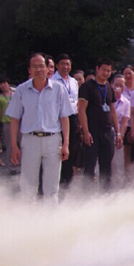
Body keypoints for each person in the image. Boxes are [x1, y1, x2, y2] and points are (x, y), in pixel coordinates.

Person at [6, 53, 72, 203]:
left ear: (48, 69)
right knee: (28, 185)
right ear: (29, 70)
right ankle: (29, 215)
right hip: (30, 140)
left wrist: (66, 144)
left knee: (52, 186)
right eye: (34, 66)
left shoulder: (59, 89)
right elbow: (14, 119)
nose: (39, 70)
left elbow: (64, 118)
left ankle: (51, 215)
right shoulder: (21, 90)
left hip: (53, 140)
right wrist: (14, 146)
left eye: (42, 66)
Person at [78, 58, 122, 191]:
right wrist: (86, 132)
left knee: (106, 166)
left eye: (109, 71)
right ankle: (87, 195)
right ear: (97, 69)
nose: (106, 73)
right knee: (90, 166)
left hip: (107, 132)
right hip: (92, 132)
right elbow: (81, 110)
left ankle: (106, 194)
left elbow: (113, 111)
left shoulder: (109, 87)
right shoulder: (87, 86)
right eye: (104, 70)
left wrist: (118, 132)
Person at [52, 54, 81, 187]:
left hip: (73, 116)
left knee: (72, 147)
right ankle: (58, 177)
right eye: (63, 64)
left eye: (68, 64)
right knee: (59, 147)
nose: (65, 67)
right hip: (58, 118)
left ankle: (68, 177)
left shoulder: (73, 82)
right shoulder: (52, 81)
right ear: (57, 66)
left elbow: (76, 100)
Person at [111, 74, 130, 188]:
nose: (118, 87)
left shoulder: (126, 102)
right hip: (105, 134)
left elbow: (124, 122)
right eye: (116, 85)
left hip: (117, 135)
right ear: (111, 85)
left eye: (121, 85)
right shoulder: (105, 99)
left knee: (118, 165)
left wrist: (120, 137)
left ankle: (118, 189)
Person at [0, 76, 17, 173]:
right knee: (10, 145)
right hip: (7, 123)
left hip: (18, 122)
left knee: (22, 144)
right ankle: (11, 166)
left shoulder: (16, 94)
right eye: (1, 84)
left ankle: (22, 165)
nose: (3, 85)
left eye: (4, 83)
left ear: (8, 83)